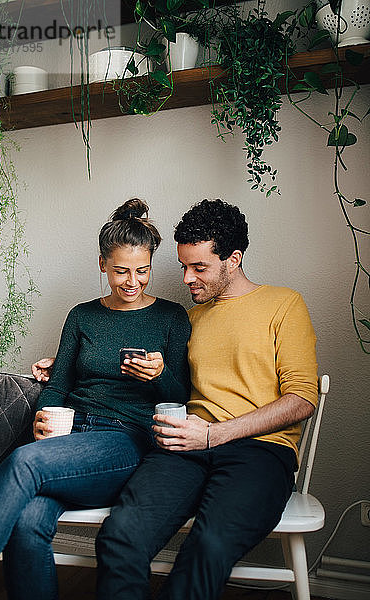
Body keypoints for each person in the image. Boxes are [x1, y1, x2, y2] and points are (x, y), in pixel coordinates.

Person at [94, 199, 318, 600]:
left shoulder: (284, 304)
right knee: (121, 533)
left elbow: (302, 398)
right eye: (183, 265)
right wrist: (63, 361)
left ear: (233, 259)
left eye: (199, 267)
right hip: (186, 446)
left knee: (209, 545)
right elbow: (131, 361)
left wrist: (215, 434)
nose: (186, 278)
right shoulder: (187, 319)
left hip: (260, 451)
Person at [0, 198, 191, 600]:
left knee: (23, 461)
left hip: (126, 441)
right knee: (27, 523)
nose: (132, 281)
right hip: (70, 436)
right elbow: (59, 385)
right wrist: (42, 416)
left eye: (142, 271)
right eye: (121, 270)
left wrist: (160, 376)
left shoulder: (172, 317)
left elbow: (181, 399)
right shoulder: (82, 315)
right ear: (103, 265)